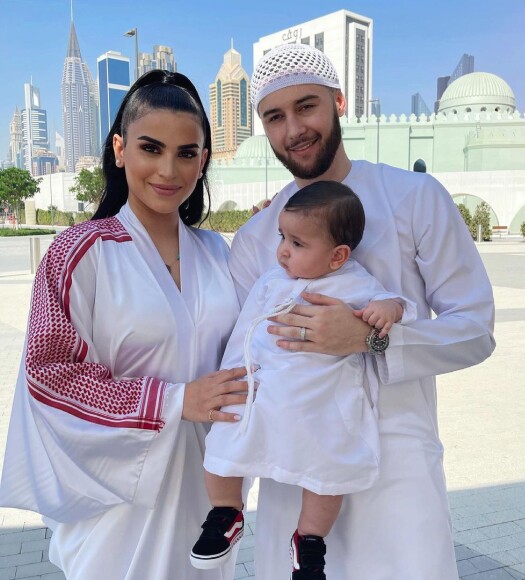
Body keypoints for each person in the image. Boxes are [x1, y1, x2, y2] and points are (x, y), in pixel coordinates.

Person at [228, 43, 496, 579]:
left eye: (307, 107)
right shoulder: (257, 239)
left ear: (339, 102)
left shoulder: (414, 197)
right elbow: (243, 368)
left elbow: (475, 330)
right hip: (293, 475)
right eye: (274, 117)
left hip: (397, 470)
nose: (293, 130)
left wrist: (368, 338)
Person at [0, 70, 248, 580]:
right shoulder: (78, 254)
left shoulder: (219, 253)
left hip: (209, 496)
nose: (168, 169)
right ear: (119, 149)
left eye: (186, 153)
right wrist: (177, 400)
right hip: (118, 510)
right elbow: (49, 376)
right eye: (150, 148)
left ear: (203, 161)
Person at [190, 181, 415, 577]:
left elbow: (399, 303)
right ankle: (226, 512)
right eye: (282, 237)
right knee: (221, 448)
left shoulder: (355, 282)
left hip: (321, 401)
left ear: (337, 256)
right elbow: (245, 328)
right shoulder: (270, 281)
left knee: (329, 474)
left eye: (297, 243)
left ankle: (309, 542)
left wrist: (387, 308)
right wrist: (231, 375)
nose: (282, 251)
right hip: (261, 391)